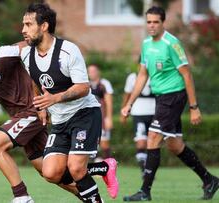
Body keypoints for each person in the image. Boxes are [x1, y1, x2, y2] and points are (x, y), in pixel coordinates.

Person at [0, 26, 116, 203]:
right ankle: (98, 177)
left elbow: (29, 45)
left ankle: (21, 196)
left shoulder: (4, 54)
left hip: (34, 110)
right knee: (51, 173)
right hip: (20, 117)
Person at [20, 3, 119, 202]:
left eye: (28, 24)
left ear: (44, 26)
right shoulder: (26, 55)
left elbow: (84, 87)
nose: (23, 30)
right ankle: (103, 167)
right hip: (60, 120)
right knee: (51, 173)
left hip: (84, 114)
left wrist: (54, 98)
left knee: (76, 168)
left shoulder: (68, 51)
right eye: (23, 24)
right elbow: (34, 80)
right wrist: (41, 107)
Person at [121, 6, 219, 201]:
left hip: (174, 96)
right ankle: (210, 180)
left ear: (162, 22)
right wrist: (129, 103)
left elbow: (187, 74)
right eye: (148, 22)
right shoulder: (146, 44)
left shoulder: (171, 43)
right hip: (161, 99)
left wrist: (194, 107)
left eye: (155, 22)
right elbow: (142, 75)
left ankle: (145, 191)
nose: (151, 26)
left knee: (153, 138)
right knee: (174, 145)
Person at [120, 60, 155, 177]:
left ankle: (150, 170)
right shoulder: (132, 77)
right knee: (141, 142)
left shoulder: (155, 75)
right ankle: (143, 169)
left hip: (155, 113)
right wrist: (124, 112)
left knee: (153, 143)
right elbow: (127, 94)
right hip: (138, 113)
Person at [87, 64, 114, 160]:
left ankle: (108, 165)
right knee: (92, 143)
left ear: (98, 72)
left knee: (104, 143)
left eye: (94, 71)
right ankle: (96, 165)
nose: (92, 73)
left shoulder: (104, 84)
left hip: (102, 118)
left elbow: (109, 102)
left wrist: (109, 118)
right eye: (89, 71)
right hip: (90, 119)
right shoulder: (86, 85)